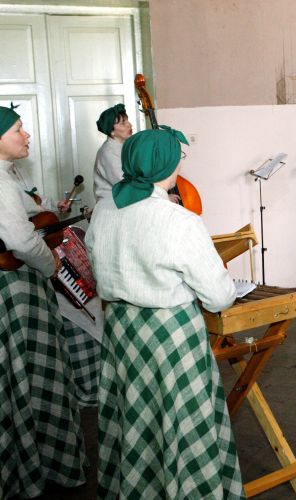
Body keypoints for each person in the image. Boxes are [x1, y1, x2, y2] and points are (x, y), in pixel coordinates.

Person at [86, 127, 244, 498]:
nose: (180, 166)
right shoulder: (179, 220)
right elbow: (219, 296)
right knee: (179, 420)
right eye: (177, 159)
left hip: (122, 330)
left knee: (135, 416)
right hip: (170, 334)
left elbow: (97, 267)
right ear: (165, 164)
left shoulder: (104, 210)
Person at [0, 104, 88, 497]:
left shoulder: (9, 175)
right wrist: (51, 264)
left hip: (14, 284)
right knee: (37, 373)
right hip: (16, 288)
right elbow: (20, 241)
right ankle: (48, 463)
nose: (27, 135)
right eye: (18, 129)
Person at [93, 103, 133, 202]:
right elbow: (126, 184)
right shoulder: (107, 153)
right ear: (112, 131)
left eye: (127, 120)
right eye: (123, 123)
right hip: (112, 206)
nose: (129, 125)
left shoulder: (125, 146)